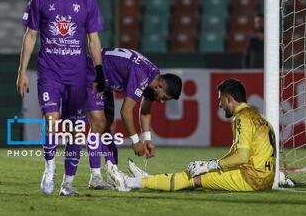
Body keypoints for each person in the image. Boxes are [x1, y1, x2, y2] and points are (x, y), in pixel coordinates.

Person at [16, 0, 105, 196]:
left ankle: (67, 184)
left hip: (77, 75)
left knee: (77, 129)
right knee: (51, 121)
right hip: (50, 71)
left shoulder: (89, 2)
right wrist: (22, 71)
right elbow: (31, 36)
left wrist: (99, 72)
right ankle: (49, 168)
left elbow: (94, 40)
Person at [107, 79, 276, 192]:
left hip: (251, 179)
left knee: (190, 177)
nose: (219, 104)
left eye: (221, 100)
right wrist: (209, 164)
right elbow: (240, 154)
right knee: (198, 175)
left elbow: (241, 156)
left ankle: (129, 183)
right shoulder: (259, 116)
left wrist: (209, 166)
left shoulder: (242, 118)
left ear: (229, 99)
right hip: (264, 178)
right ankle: (151, 180)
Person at [85, 48, 182, 189]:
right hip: (92, 73)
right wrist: (136, 141)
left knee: (110, 127)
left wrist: (147, 139)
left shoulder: (153, 77)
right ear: (159, 86)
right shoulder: (142, 75)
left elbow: (145, 111)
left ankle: (112, 173)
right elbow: (125, 111)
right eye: (164, 98)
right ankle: (95, 177)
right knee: (99, 124)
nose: (162, 102)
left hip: (106, 81)